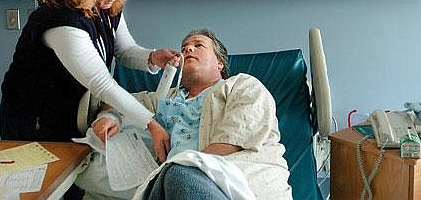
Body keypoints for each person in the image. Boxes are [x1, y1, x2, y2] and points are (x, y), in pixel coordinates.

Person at [0, 0, 177, 164]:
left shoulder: (107, 4)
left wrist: (151, 57)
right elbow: (102, 84)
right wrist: (152, 124)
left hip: (71, 113)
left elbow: (124, 49)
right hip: (34, 120)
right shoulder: (62, 21)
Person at [77, 29, 292, 200]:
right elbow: (116, 101)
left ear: (220, 63)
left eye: (198, 46)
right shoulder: (163, 99)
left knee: (179, 175)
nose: (188, 49)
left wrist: (178, 169)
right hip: (169, 183)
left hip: (228, 182)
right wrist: (110, 117)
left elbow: (235, 138)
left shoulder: (242, 85)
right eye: (185, 47)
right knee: (83, 167)